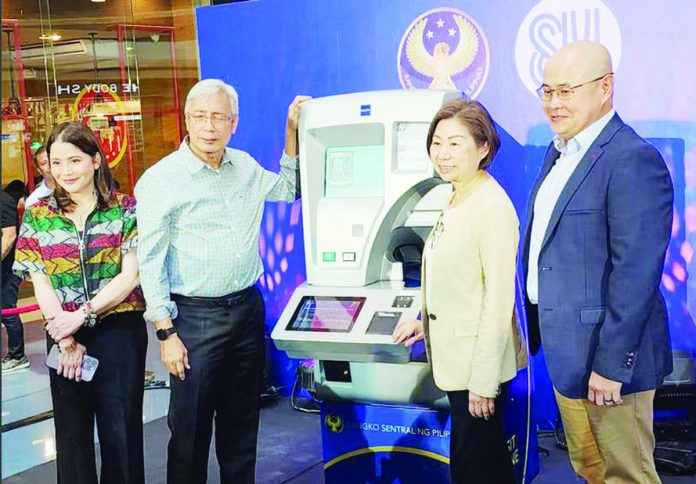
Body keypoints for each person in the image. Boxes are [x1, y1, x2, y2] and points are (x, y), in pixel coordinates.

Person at [135, 78, 310, 484]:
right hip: (193, 321)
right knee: (190, 431)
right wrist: (165, 333)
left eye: (218, 117)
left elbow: (288, 189)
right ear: (187, 120)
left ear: (234, 123)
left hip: (247, 312)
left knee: (241, 425)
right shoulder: (162, 179)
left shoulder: (245, 166)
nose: (208, 126)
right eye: (199, 117)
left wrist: (291, 132)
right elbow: (151, 259)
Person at [522, 41, 673, 484]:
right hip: (568, 354)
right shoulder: (560, 152)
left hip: (610, 366)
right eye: (547, 91)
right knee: (589, 470)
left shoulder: (631, 159)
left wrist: (611, 366)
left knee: (627, 476)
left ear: (605, 87)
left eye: (566, 91)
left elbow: (636, 274)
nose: (553, 103)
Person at [392, 98, 526, 484]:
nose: (442, 154)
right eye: (437, 142)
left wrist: (483, 383)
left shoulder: (490, 205)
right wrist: (424, 321)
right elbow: (459, 281)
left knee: (479, 468)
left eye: (455, 143)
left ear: (483, 148)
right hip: (458, 362)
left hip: (476, 369)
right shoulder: (456, 196)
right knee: (472, 464)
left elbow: (498, 302)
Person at [13, 122, 147, 484]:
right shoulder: (39, 215)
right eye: (55, 163)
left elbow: (130, 275)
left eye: (74, 160)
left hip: (119, 332)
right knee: (72, 437)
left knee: (121, 433)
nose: (64, 171)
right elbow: (39, 278)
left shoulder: (125, 209)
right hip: (63, 335)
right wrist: (66, 336)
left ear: (96, 160)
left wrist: (82, 316)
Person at [1, 186, 29, 373]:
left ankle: (17, 356)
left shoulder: (3, 200)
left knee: (8, 310)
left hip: (6, 269)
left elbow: (9, 237)